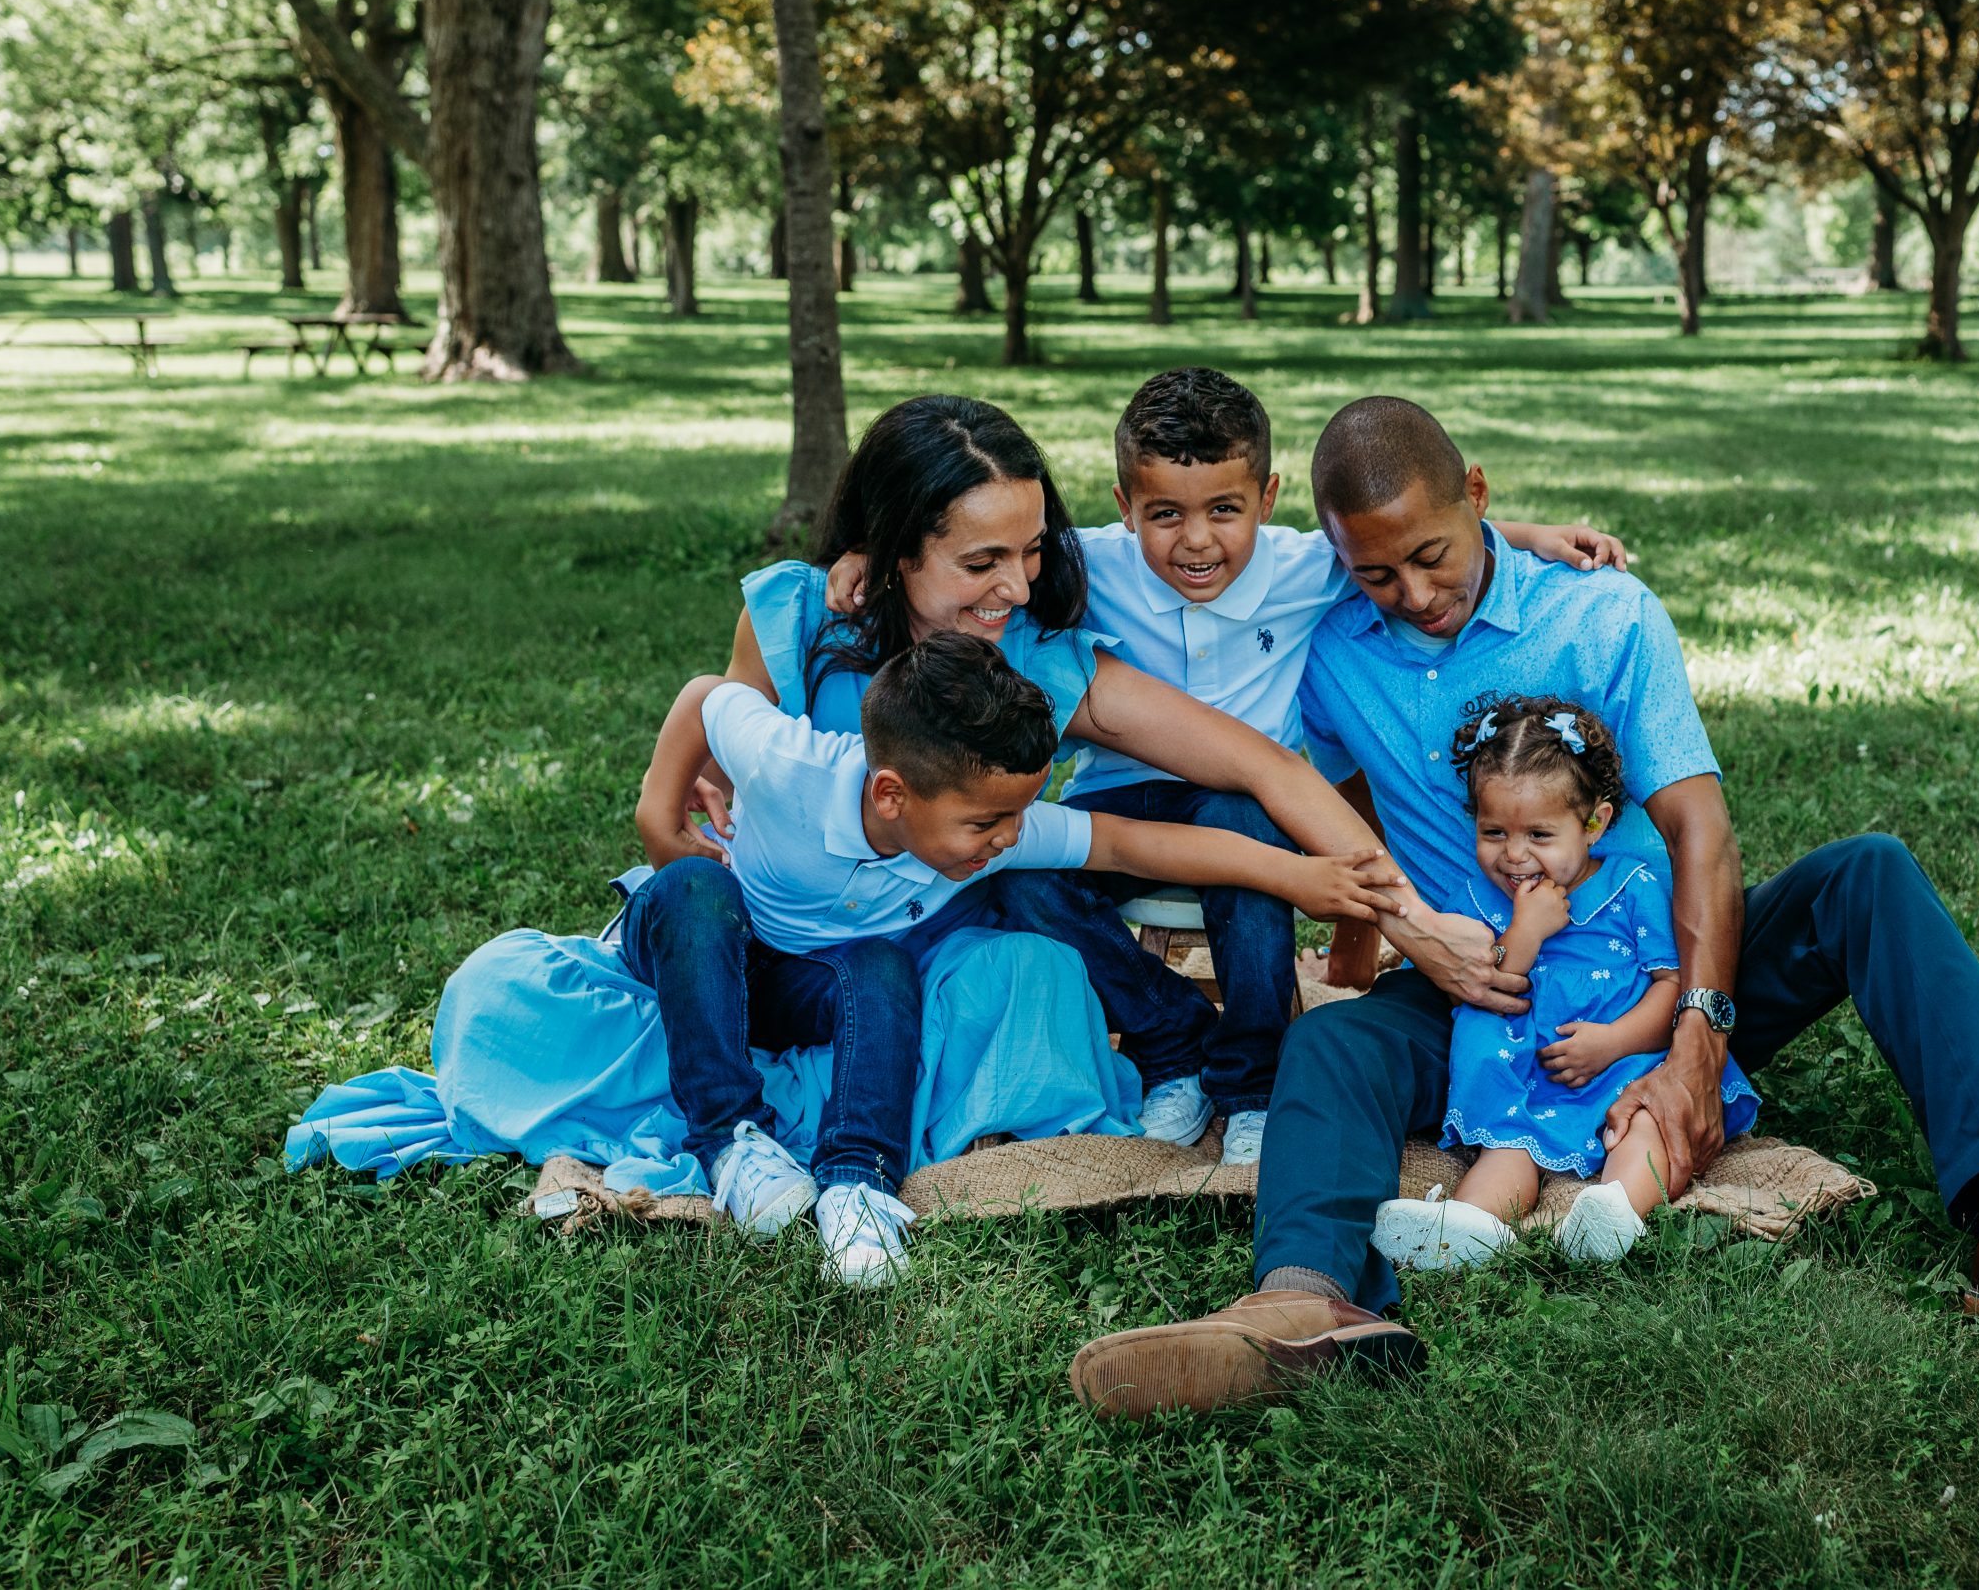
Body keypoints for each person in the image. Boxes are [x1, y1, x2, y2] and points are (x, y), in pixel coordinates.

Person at [1069, 397, 1979, 1419]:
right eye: (1376, 571)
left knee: (1869, 874)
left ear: (1478, 494)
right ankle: (1299, 1305)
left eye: (1433, 554)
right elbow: (1325, 795)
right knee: (1331, 1036)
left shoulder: (1602, 616)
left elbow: (1700, 835)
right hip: (1481, 995)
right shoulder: (1331, 639)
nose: (1414, 592)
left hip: (1649, 967)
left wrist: (1698, 1037)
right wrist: (1381, 942)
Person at [819, 369, 1628, 1160]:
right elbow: (962, 536)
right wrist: (862, 552)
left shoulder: (1306, 568)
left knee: (1248, 838)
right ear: (1125, 509)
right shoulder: (1073, 567)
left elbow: (1409, 533)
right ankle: (1173, 1040)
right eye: (1165, 513)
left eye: (1225, 511)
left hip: (1251, 799)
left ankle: (1252, 1080)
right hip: (1123, 801)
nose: (1197, 539)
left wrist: (1523, 538)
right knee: (1017, 875)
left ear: (1267, 501)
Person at [636, 394, 1447, 1154]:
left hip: (931, 938)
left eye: (1029, 553)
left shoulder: (1030, 654)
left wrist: (1414, 924)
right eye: (982, 560)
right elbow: (726, 728)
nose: (1019, 588)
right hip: (796, 927)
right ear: (894, 548)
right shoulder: (802, 614)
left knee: (1024, 879)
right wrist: (667, 803)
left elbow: (1259, 767)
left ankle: (1195, 1052)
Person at [632, 631, 1404, 1283]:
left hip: (818, 980)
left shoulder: (992, 824)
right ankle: (728, 1138)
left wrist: (1300, 874)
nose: (1008, 835)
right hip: (713, 946)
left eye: (1019, 813)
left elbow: (1132, 842)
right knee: (692, 886)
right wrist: (659, 815)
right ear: (893, 795)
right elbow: (709, 693)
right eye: (988, 822)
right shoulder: (786, 761)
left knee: (880, 965)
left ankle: (853, 1183)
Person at [1367, 697, 1758, 1271]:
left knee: (1649, 1126)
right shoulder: (1470, 901)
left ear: (1594, 824)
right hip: (1525, 1077)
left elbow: (1672, 985)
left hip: (1628, 1066)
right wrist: (1525, 931)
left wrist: (1615, 1042)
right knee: (1506, 1149)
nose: (1515, 855)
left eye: (1540, 835)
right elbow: (1471, 988)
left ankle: (1616, 1210)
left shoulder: (1633, 886)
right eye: (1494, 831)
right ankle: (1469, 1228)